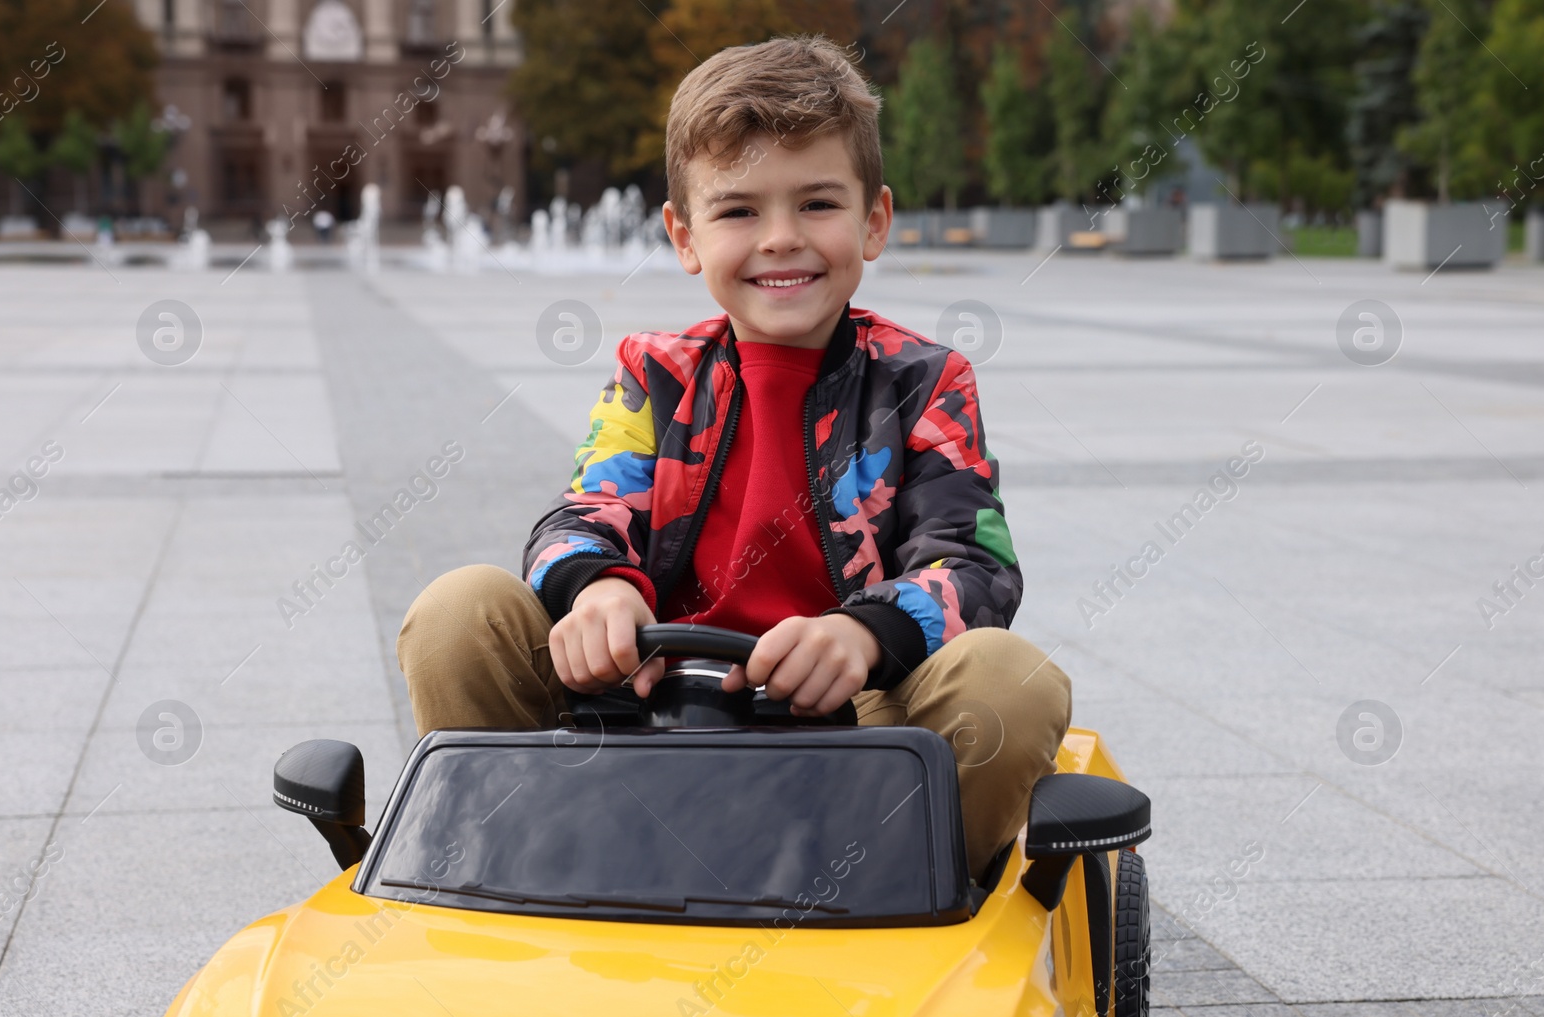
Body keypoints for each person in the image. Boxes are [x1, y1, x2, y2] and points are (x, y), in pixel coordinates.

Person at [396, 34, 1071, 882]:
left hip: (851, 723)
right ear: (685, 235)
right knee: (462, 610)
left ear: (874, 222)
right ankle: (498, 863)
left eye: (818, 204)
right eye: (740, 210)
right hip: (652, 704)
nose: (781, 238)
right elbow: (583, 512)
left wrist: (865, 632)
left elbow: (972, 562)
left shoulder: (924, 380)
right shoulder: (657, 373)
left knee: (1012, 681)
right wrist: (597, 587)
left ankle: (908, 890)